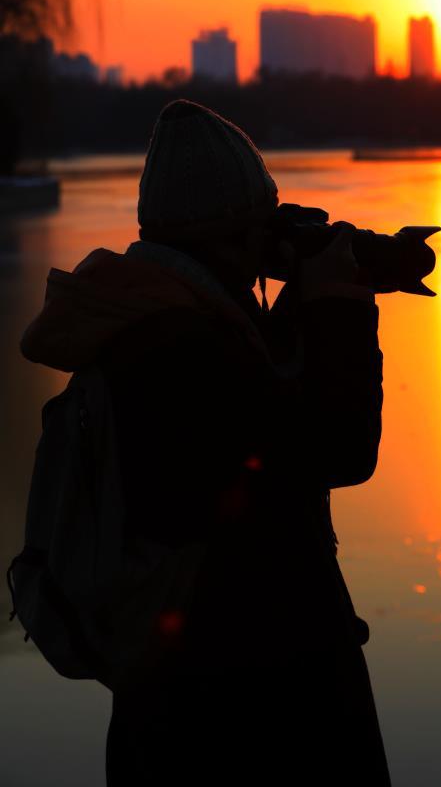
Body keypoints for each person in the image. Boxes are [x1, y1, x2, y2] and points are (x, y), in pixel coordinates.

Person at [20, 98, 392, 786]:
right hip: (248, 727)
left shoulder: (153, 325)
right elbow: (337, 448)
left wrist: (297, 312)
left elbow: (260, 431)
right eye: (261, 230)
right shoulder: (182, 354)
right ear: (234, 236)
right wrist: (337, 306)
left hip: (171, 715)